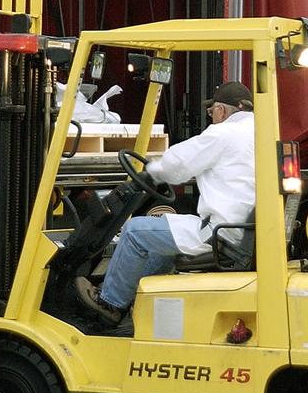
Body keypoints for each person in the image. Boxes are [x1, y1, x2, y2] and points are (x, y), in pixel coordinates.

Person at [75, 81, 257, 325]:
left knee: (134, 231)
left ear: (222, 111)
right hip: (239, 230)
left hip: (220, 232)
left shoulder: (223, 133)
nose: (211, 116)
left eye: (211, 111)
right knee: (163, 232)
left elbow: (177, 164)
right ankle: (137, 301)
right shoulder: (260, 132)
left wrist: (151, 173)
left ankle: (109, 303)